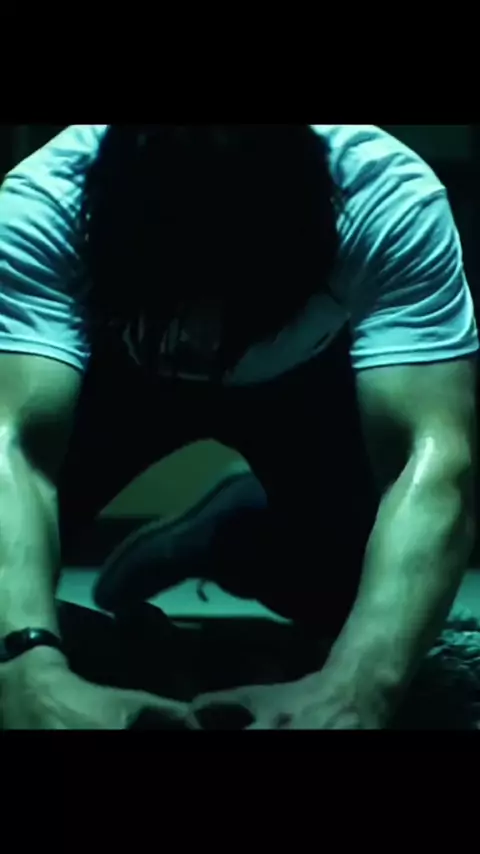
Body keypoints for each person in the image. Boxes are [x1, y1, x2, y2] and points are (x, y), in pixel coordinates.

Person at [0, 124, 477, 730]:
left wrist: (361, 688)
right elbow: (12, 448)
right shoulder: (46, 202)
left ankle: (232, 535)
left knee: (362, 602)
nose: (204, 335)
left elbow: (432, 459)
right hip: (114, 371)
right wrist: (28, 667)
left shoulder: (385, 197)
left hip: (304, 380)